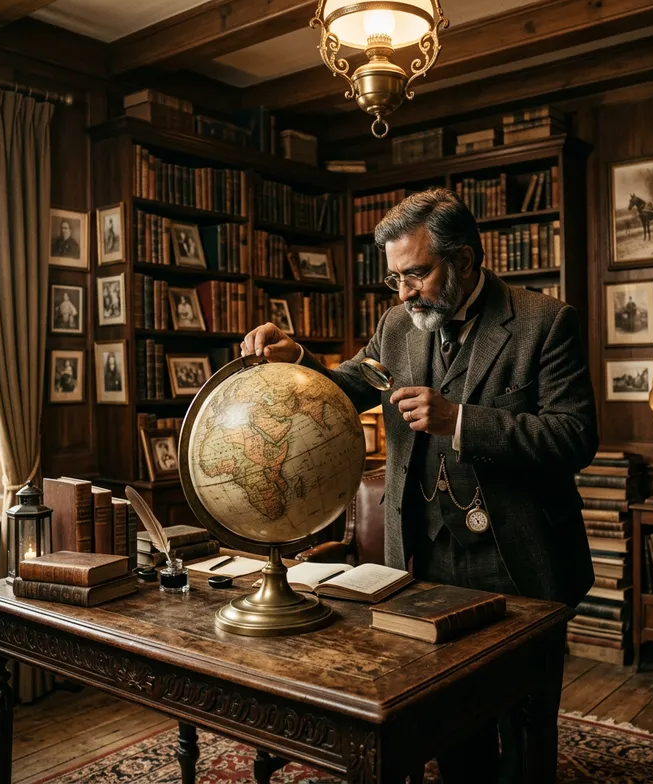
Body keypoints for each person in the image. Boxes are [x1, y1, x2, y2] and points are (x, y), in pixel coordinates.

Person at [242, 187, 598, 783]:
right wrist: (296, 358)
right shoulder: (398, 325)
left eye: (416, 275)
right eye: (395, 280)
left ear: (464, 260)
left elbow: (573, 438)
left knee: (526, 724)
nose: (404, 293)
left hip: (520, 560)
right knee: (452, 720)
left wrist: (459, 420)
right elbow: (354, 382)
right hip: (424, 556)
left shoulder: (545, 322)